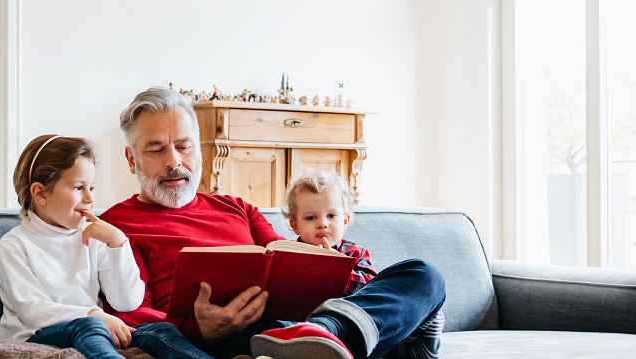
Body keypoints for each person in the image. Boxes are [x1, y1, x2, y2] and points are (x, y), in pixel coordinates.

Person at [99, 86, 446, 359]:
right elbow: (133, 315)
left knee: (423, 275)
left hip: (300, 322)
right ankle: (356, 341)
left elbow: (286, 259)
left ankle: (329, 335)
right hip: (235, 339)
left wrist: (322, 264)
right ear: (131, 159)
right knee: (269, 343)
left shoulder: (237, 207)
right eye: (156, 149)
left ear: (199, 151)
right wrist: (197, 330)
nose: (174, 161)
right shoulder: (114, 228)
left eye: (183, 146)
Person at [0, 134, 213, 359]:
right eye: (79, 188)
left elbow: (126, 302)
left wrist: (118, 244)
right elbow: (33, 311)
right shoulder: (15, 245)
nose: (90, 199)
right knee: (90, 328)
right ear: (40, 193)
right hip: (35, 336)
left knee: (161, 331)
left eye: (92, 187)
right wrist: (94, 315)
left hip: (93, 329)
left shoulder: (93, 236)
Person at [277, 167, 444, 359]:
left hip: (354, 326)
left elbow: (370, 289)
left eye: (331, 216)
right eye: (310, 217)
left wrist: (335, 268)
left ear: (345, 220)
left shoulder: (354, 253)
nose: (322, 223)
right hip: (300, 325)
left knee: (422, 273)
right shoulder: (287, 254)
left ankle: (410, 339)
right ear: (295, 225)